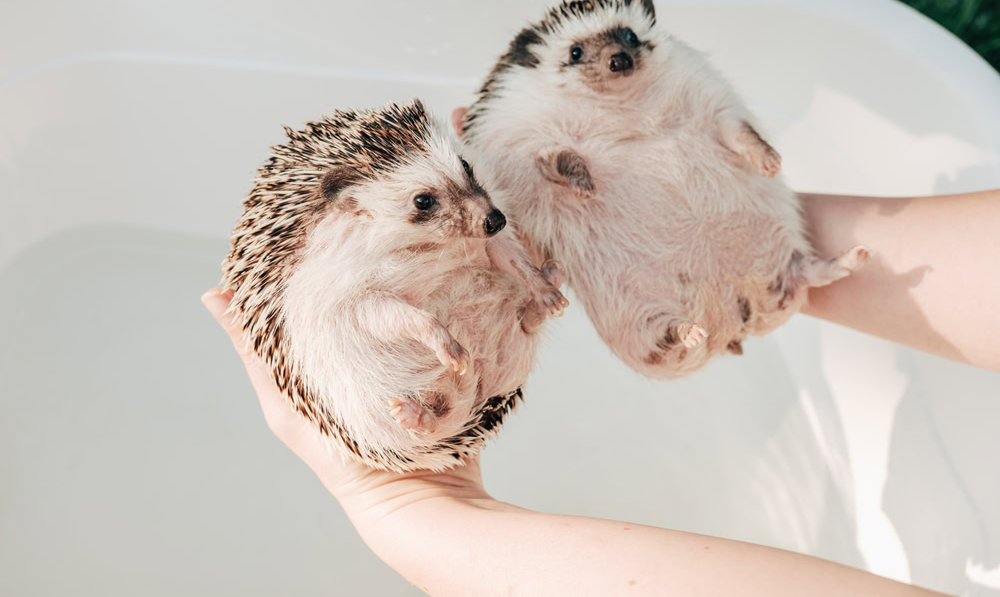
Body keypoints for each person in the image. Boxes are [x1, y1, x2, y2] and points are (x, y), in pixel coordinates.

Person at [203, 110, 998, 593]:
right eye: (427, 204)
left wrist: (410, 511)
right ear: (346, 209)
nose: (476, 215)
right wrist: (674, 229)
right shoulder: (336, 272)